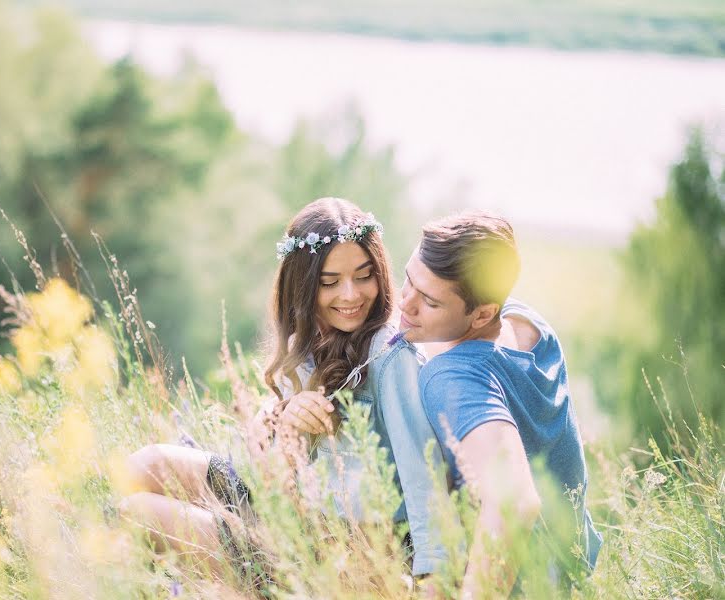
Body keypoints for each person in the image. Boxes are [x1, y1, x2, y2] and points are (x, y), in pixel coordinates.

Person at [117, 197, 450, 592]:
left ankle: (258, 578)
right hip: (290, 508)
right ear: (303, 285)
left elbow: (423, 474)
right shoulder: (305, 344)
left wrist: (433, 579)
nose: (351, 295)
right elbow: (277, 482)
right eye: (330, 282)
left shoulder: (390, 353)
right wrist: (285, 428)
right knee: (144, 464)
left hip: (343, 546)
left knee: (138, 513)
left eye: (364, 276)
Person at [396, 211, 603, 597]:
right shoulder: (526, 323)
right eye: (408, 279)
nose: (405, 304)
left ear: (482, 313)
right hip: (570, 570)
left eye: (429, 301)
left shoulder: (452, 376)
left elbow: (514, 503)